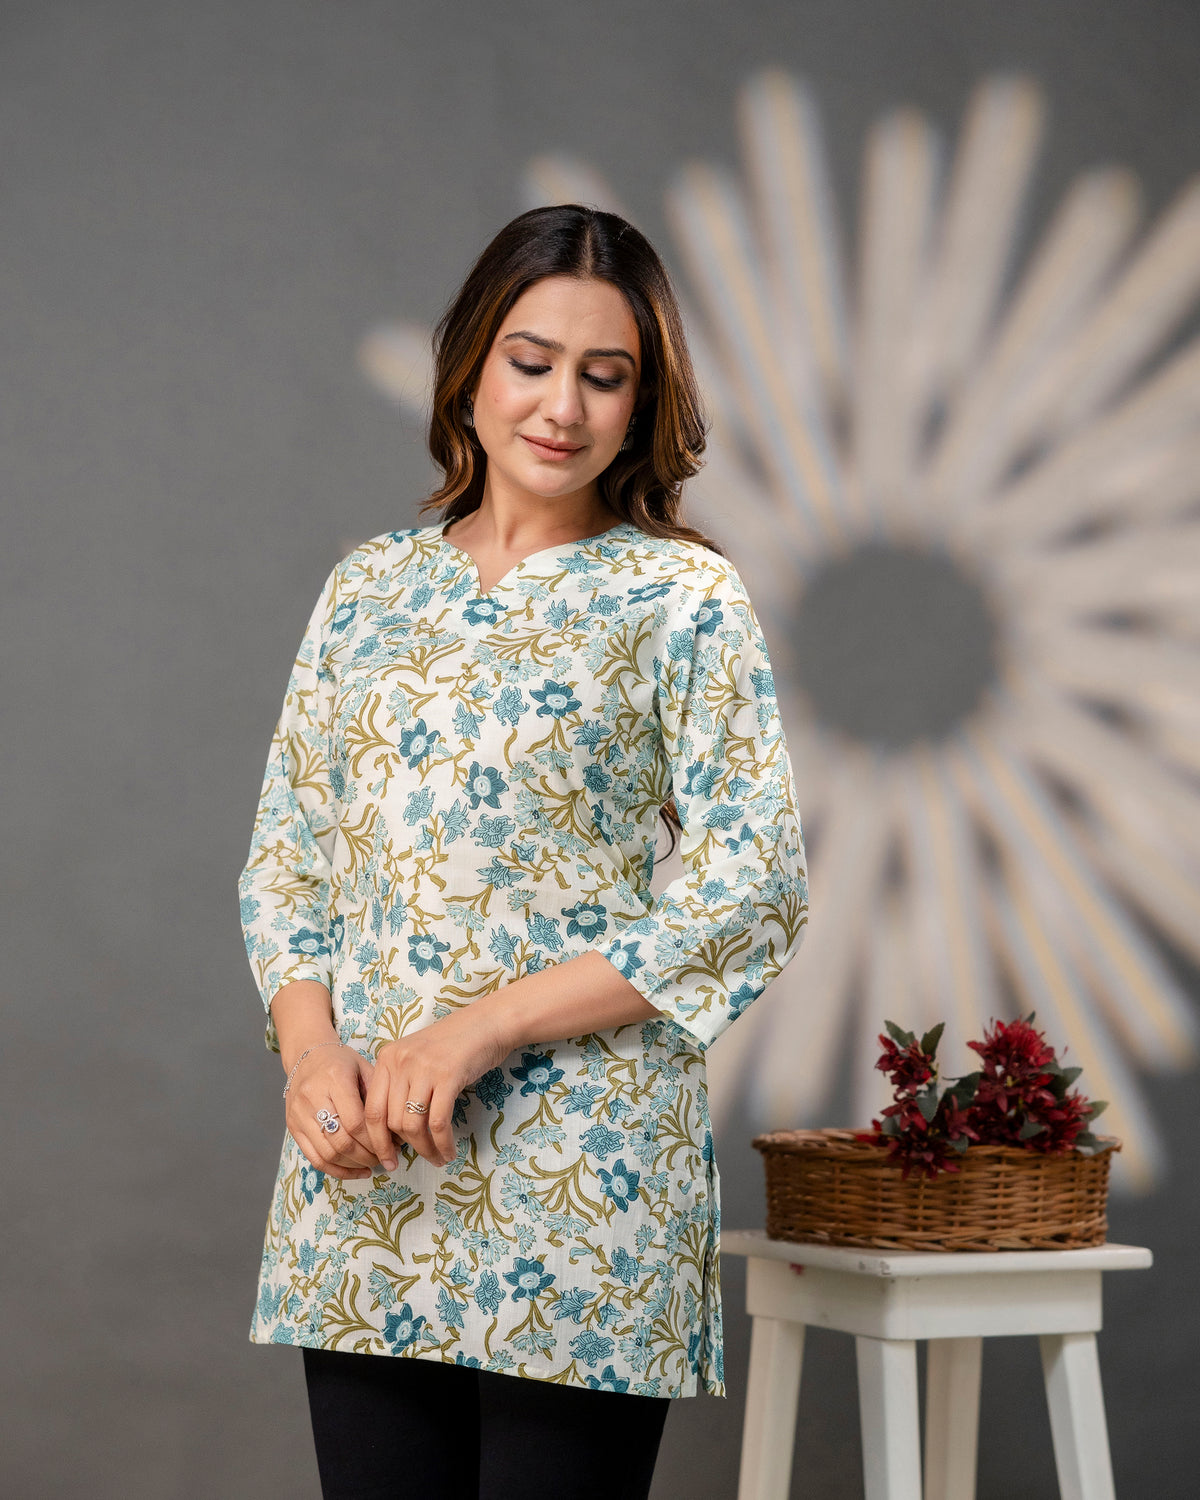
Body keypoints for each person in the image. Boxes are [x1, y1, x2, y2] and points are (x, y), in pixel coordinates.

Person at [238, 203, 810, 1499]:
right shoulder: (370, 589)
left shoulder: (680, 597)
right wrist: (313, 1055)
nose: (562, 407)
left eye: (605, 376)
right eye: (532, 361)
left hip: (585, 1183)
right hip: (372, 1174)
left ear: (643, 403)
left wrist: (479, 1031)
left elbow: (752, 890)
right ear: (471, 367)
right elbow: (288, 861)